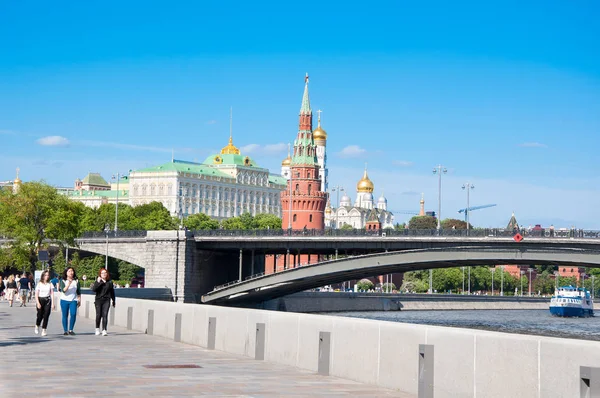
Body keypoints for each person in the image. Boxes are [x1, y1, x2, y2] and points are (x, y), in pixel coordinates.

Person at [91, 268, 116, 336]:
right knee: (98, 315)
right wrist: (99, 282)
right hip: (98, 300)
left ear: (107, 274)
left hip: (106, 300)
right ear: (100, 274)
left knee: (105, 315)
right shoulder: (98, 281)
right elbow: (94, 289)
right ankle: (97, 329)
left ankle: (104, 330)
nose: (104, 274)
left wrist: (114, 300)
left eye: (105, 273)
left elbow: (112, 292)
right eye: (102, 273)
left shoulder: (110, 282)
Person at [59, 267, 81, 336]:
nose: (71, 272)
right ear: (66, 273)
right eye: (69, 271)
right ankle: (65, 330)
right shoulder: (63, 280)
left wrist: (79, 299)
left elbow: (78, 291)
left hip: (73, 300)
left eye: (72, 271)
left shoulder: (76, 281)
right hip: (64, 300)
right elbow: (64, 290)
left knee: (73, 314)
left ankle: (71, 329)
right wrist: (68, 283)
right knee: (65, 315)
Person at [34, 270, 55, 337]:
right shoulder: (39, 284)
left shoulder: (50, 284)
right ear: (43, 276)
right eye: (45, 275)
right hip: (40, 299)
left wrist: (53, 303)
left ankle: (44, 329)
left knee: (46, 315)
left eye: (48, 275)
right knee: (40, 315)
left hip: (47, 300)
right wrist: (37, 303)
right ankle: (37, 325)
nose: (47, 276)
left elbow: (52, 293)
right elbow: (36, 294)